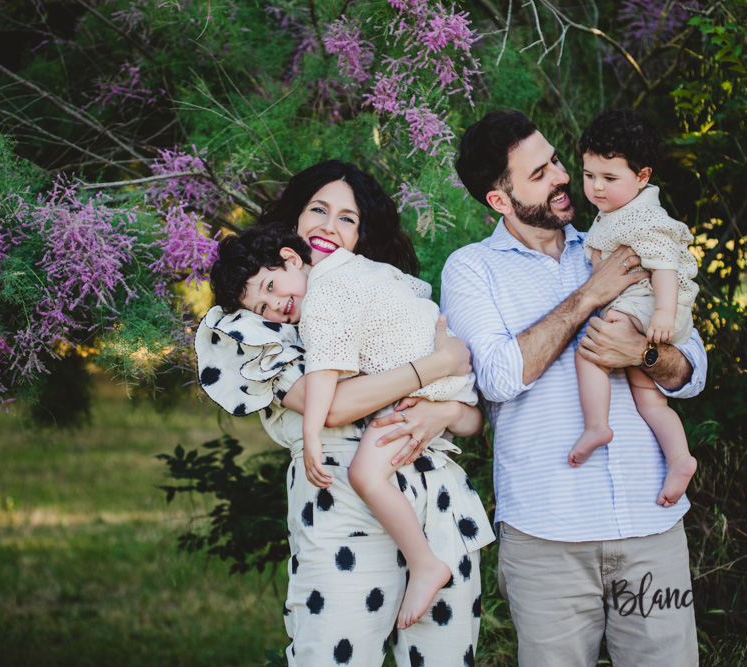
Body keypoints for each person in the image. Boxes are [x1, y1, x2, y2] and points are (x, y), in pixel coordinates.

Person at [194, 160, 495, 667]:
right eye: (318, 210)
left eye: (348, 219)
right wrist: (434, 365)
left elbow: (471, 421)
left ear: (362, 234)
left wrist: (437, 413)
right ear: (293, 221)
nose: (330, 227)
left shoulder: (375, 295)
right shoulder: (251, 319)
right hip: (342, 513)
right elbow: (330, 407)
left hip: (436, 501)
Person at [441, 110, 707, 666]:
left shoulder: (620, 239)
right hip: (546, 538)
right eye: (539, 174)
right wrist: (589, 296)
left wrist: (643, 353)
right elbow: (498, 377)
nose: (562, 177)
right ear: (500, 200)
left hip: (650, 526)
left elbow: (691, 372)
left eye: (557, 161)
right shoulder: (472, 270)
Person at [215, 223, 477, 630]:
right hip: (443, 374)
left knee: (364, 474)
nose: (275, 306)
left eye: (270, 287)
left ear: (291, 258)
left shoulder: (322, 296)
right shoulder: (351, 269)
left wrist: (311, 434)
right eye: (262, 309)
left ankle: (426, 564)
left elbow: (322, 371)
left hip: (432, 384)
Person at [569, 108, 699, 508]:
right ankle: (680, 458)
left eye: (610, 178)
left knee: (593, 347)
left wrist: (661, 314)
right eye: (590, 176)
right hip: (645, 304)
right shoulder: (617, 212)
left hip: (650, 303)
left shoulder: (642, 217)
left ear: (642, 176)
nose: (597, 188)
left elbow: (664, 266)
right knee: (649, 398)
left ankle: (597, 426)